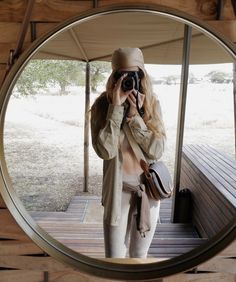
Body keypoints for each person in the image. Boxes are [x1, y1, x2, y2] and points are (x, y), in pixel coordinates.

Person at [90, 47, 166, 258]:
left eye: (135, 75)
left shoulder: (151, 104)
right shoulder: (100, 107)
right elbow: (104, 151)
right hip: (117, 191)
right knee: (114, 258)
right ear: (114, 76)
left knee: (139, 256)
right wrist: (115, 108)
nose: (130, 81)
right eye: (123, 75)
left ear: (142, 75)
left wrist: (135, 118)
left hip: (148, 191)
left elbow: (157, 151)